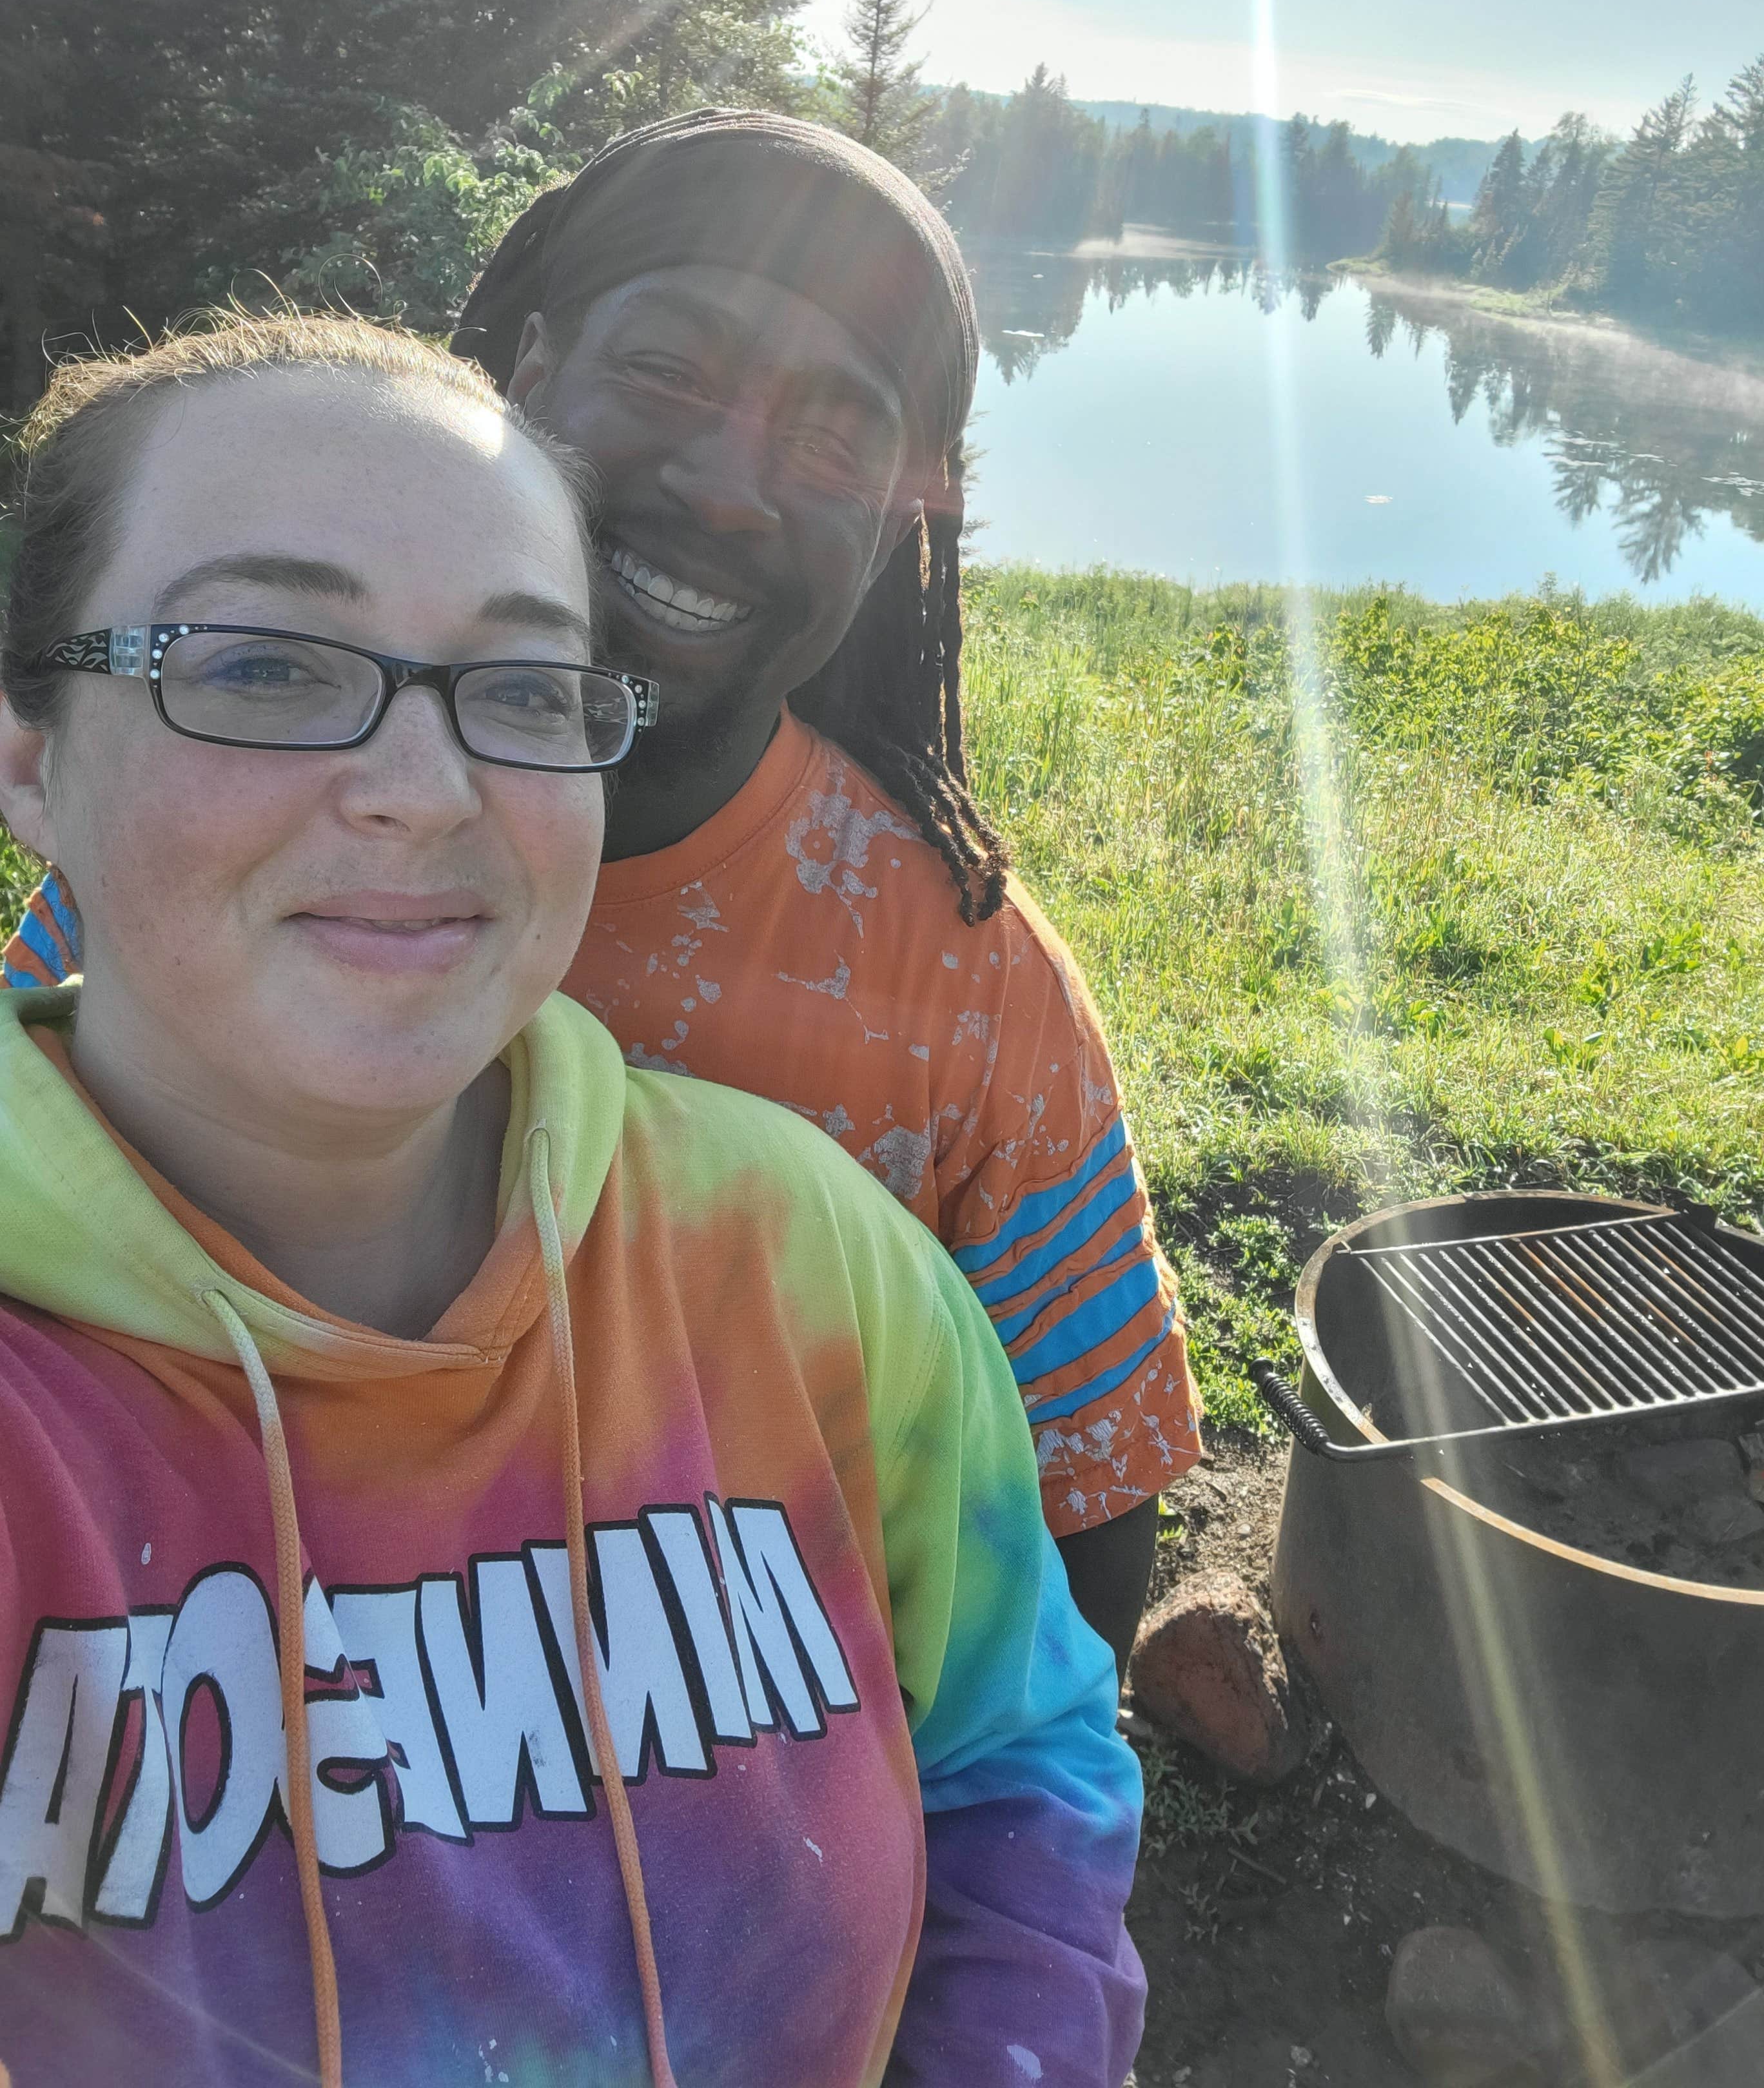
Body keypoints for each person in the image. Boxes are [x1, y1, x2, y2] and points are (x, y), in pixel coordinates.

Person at [0, 314, 1144, 2087]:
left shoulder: (798, 1254)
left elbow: (1018, 1745)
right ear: (26, 749)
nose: (420, 791)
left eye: (523, 689)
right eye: (266, 665)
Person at [5, 113, 1205, 1673]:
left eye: (836, 435)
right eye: (665, 372)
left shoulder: (966, 992)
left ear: (907, 512)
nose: (727, 485)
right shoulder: (205, 831)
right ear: (525, 366)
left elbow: (1076, 1525)